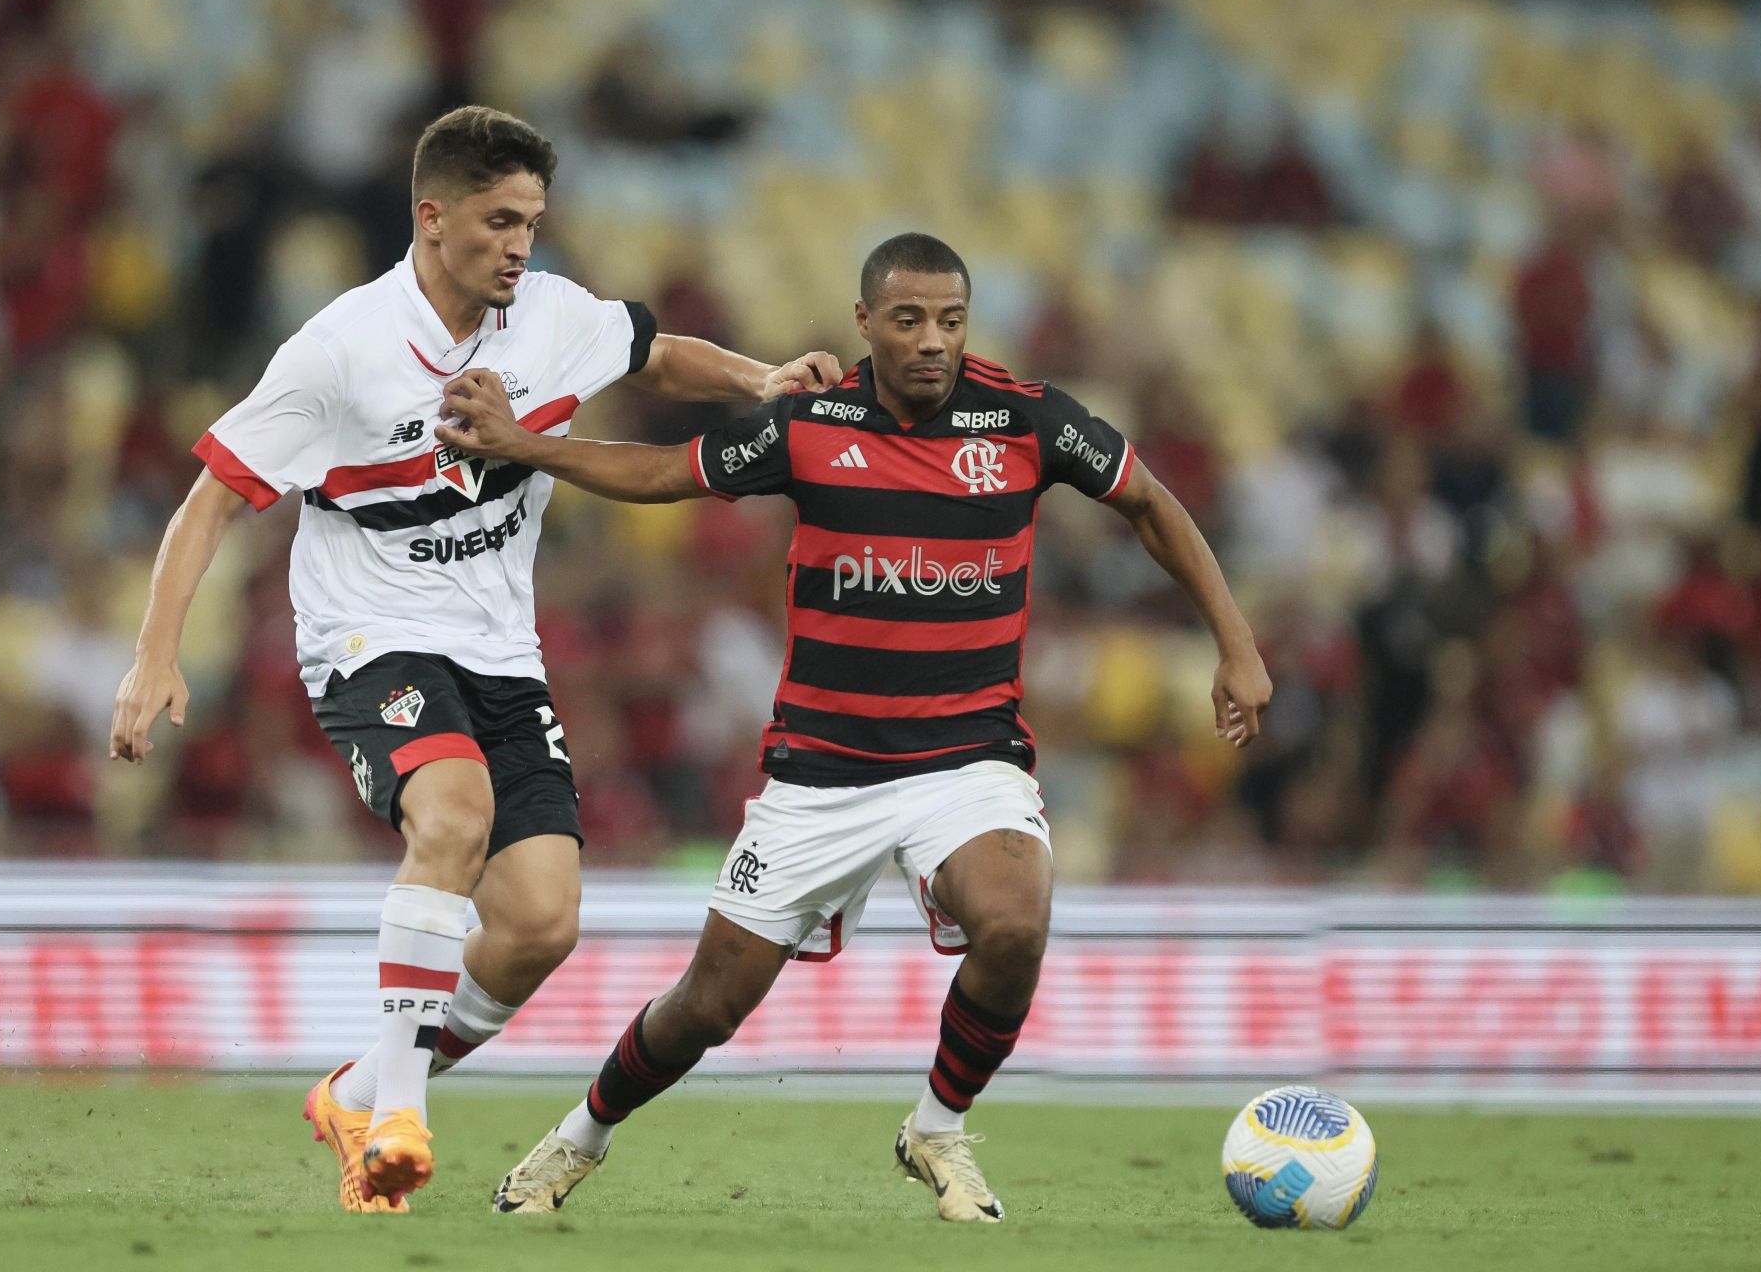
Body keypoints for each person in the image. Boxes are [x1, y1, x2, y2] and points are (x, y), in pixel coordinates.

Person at [430, 233, 1272, 1223]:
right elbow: (664, 473)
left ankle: (938, 1126)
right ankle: (577, 1137)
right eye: (908, 320)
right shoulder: (807, 427)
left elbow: (1150, 502)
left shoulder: (1027, 420)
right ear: (865, 322)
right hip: (820, 774)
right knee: (709, 1003)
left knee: (1014, 916)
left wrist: (1236, 643)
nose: (932, 341)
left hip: (970, 757)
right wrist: (525, 444)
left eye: (950, 321)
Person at [107, 106, 841, 1213]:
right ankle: (399, 1113)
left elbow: (652, 350)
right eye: (500, 222)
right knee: (451, 815)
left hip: (501, 651)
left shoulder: (547, 315)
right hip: (368, 637)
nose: (520, 245)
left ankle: (360, 1087)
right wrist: (154, 652)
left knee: (542, 922)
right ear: (432, 215)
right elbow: (212, 495)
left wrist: (760, 377)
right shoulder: (340, 349)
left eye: (533, 223)